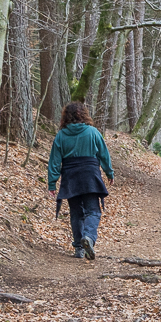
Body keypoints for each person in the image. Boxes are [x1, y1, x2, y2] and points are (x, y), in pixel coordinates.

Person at [46, 102, 113, 259]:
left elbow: (54, 161)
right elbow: (104, 153)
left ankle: (79, 248)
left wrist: (52, 182)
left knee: (76, 213)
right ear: (84, 115)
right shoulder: (93, 132)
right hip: (90, 175)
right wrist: (109, 172)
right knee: (93, 210)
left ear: (65, 117)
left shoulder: (61, 136)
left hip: (71, 177)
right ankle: (89, 237)